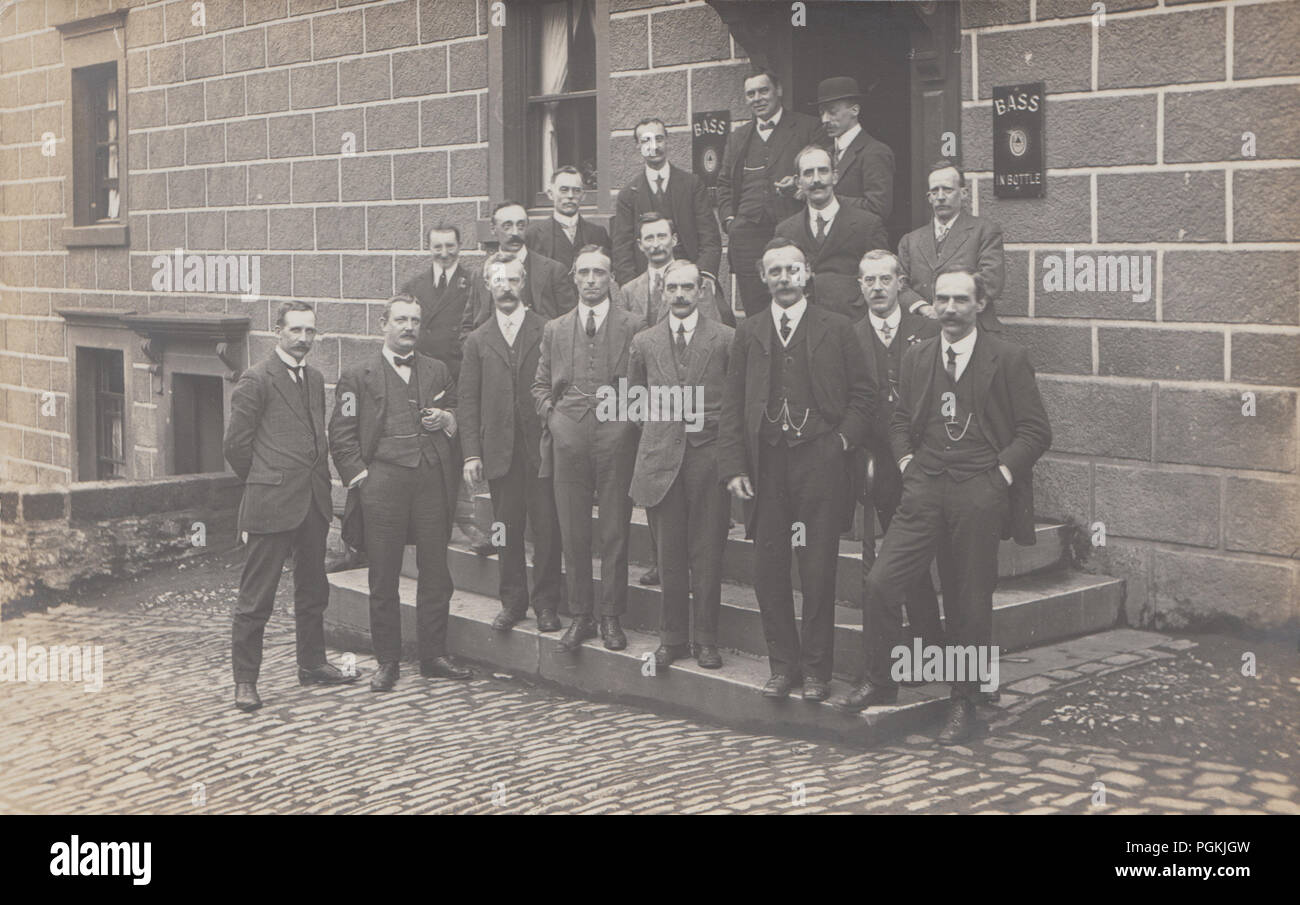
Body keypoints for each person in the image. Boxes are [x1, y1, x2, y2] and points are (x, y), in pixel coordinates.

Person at [839, 268, 1051, 746]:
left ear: (979, 305)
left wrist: (999, 475)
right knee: (880, 581)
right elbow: (898, 421)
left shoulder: (1008, 358)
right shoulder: (917, 357)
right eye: (942, 300)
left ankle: (965, 700)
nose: (950, 309)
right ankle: (880, 679)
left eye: (960, 300)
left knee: (968, 601)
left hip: (979, 488)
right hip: (925, 486)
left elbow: (1036, 431)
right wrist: (908, 460)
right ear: (931, 305)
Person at [718, 238, 875, 702]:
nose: (784, 278)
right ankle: (781, 666)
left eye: (792, 270)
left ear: (807, 274)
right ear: (764, 279)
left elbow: (863, 397)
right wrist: (734, 466)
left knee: (818, 569)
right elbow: (732, 404)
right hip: (766, 466)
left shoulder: (838, 328)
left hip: (819, 465)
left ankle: (815, 672)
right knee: (769, 569)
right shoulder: (749, 332)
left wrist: (840, 443)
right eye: (775, 272)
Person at [330, 296, 473, 692]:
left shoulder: (437, 370)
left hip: (431, 481)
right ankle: (387, 661)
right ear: (383, 324)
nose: (409, 327)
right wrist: (362, 479)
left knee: (435, 574)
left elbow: (460, 412)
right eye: (401, 320)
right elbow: (340, 435)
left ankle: (434, 655)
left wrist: (447, 419)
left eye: (415, 320)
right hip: (383, 484)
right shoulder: (357, 376)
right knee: (383, 576)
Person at [225, 301, 361, 712]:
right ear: (278, 331)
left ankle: (313, 663)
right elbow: (236, 446)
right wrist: (268, 478)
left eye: (310, 332)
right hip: (271, 502)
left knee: (313, 589)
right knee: (256, 597)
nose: (303, 339)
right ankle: (245, 681)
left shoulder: (315, 377)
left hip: (313, 501)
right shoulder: (256, 379)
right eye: (296, 331)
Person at [532, 246, 642, 654]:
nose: (592, 280)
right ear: (574, 278)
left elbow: (643, 385)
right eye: (585, 273)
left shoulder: (634, 325)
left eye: (600, 273)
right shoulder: (555, 329)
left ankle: (612, 615)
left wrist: (627, 423)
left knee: (614, 529)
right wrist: (554, 420)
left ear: (611, 278)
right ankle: (581, 615)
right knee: (573, 530)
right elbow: (540, 386)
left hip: (617, 437)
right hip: (569, 438)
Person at [628, 260, 734, 670]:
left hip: (708, 459)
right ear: (663, 292)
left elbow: (737, 399)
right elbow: (632, 396)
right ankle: (672, 639)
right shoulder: (645, 341)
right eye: (672, 288)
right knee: (669, 555)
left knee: (707, 553)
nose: (680, 295)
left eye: (688, 287)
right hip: (661, 459)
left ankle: (706, 639)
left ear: (702, 291)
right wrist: (659, 424)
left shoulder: (725, 339)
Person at [459, 254, 564, 634]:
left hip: (542, 451)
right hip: (500, 453)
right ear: (488, 286)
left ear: (524, 284)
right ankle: (513, 601)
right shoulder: (477, 340)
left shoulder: (548, 329)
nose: (506, 288)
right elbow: (467, 400)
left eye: (513, 280)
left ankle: (547, 603)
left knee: (548, 528)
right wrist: (472, 453)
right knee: (505, 529)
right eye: (498, 281)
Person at [850, 250, 943, 658]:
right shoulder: (847, 337)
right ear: (859, 287)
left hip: (930, 461)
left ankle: (940, 647)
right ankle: (921, 644)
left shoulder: (927, 330)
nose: (877, 288)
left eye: (885, 279)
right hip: (881, 464)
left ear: (900, 283)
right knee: (901, 559)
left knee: (940, 557)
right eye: (868, 280)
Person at [716, 68, 821, 317]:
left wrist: (798, 185)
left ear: (779, 91)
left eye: (763, 91)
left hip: (791, 230)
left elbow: (821, 173)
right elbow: (724, 184)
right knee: (754, 309)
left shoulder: (807, 127)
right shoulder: (739, 136)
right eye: (750, 94)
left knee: (795, 299)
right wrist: (730, 221)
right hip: (746, 235)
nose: (757, 98)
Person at [774, 145, 889, 318]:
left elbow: (881, 277)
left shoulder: (867, 225)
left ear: (835, 177)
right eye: (808, 173)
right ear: (798, 182)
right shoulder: (786, 231)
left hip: (853, 322)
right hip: (805, 324)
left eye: (823, 171)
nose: (816, 180)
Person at [612, 118, 722, 293]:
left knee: (723, 316)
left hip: (692, 277)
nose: (654, 146)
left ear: (667, 141)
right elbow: (621, 248)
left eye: (659, 139)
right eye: (646, 140)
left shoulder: (692, 185)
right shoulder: (628, 195)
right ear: (637, 146)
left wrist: (702, 276)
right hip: (647, 281)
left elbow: (710, 237)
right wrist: (634, 288)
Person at [897, 159, 1005, 331]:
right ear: (929, 197)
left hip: (973, 329)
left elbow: (991, 282)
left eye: (947, 189)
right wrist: (924, 308)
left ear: (963, 193)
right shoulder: (910, 240)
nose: (940, 196)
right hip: (923, 330)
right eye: (935, 191)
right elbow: (900, 285)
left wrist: (948, 306)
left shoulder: (984, 231)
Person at [460, 201, 572, 340]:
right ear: (493, 229)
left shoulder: (553, 270)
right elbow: (468, 328)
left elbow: (569, 325)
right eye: (507, 226)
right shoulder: (481, 274)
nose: (515, 232)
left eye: (521, 225)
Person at [620, 212, 732, 330]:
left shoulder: (699, 284)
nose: (656, 244)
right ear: (640, 245)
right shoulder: (629, 291)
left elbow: (711, 333)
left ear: (674, 240)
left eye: (662, 237)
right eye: (649, 238)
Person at [401, 223, 478, 383]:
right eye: (437, 247)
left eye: (450, 246)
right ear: (428, 247)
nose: (444, 253)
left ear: (460, 246)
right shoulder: (412, 286)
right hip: (421, 375)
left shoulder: (474, 284)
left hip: (458, 375)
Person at [814, 76, 895, 222]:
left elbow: (878, 208)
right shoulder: (827, 153)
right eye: (821, 113)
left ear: (855, 110)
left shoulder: (875, 152)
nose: (825, 120)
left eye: (832, 112)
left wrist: (827, 198)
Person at [526, 165, 611, 273]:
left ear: (583, 195)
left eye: (576, 190)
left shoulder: (598, 234)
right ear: (550, 194)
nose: (570, 195)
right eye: (564, 190)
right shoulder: (532, 234)